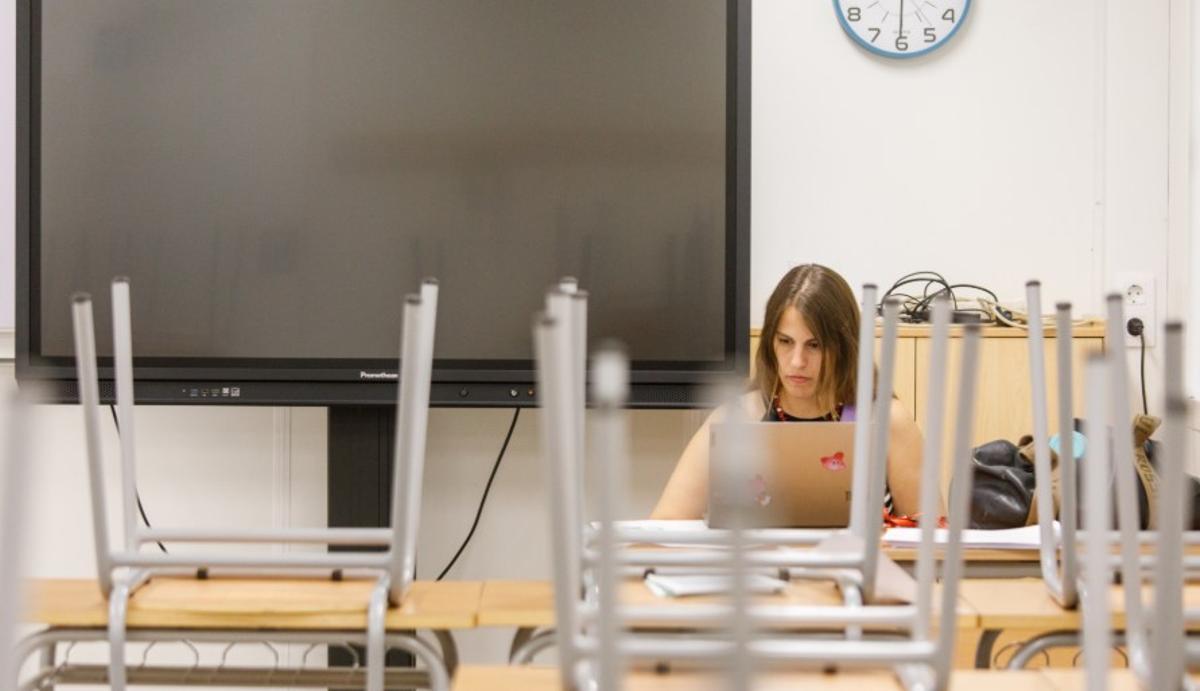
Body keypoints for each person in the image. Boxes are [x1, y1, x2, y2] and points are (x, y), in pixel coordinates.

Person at [650, 264, 928, 521]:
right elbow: (664, 525)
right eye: (785, 341)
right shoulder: (736, 419)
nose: (797, 361)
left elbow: (933, 542)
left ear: (844, 348)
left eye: (815, 345)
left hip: (859, 574)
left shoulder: (886, 421)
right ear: (770, 343)